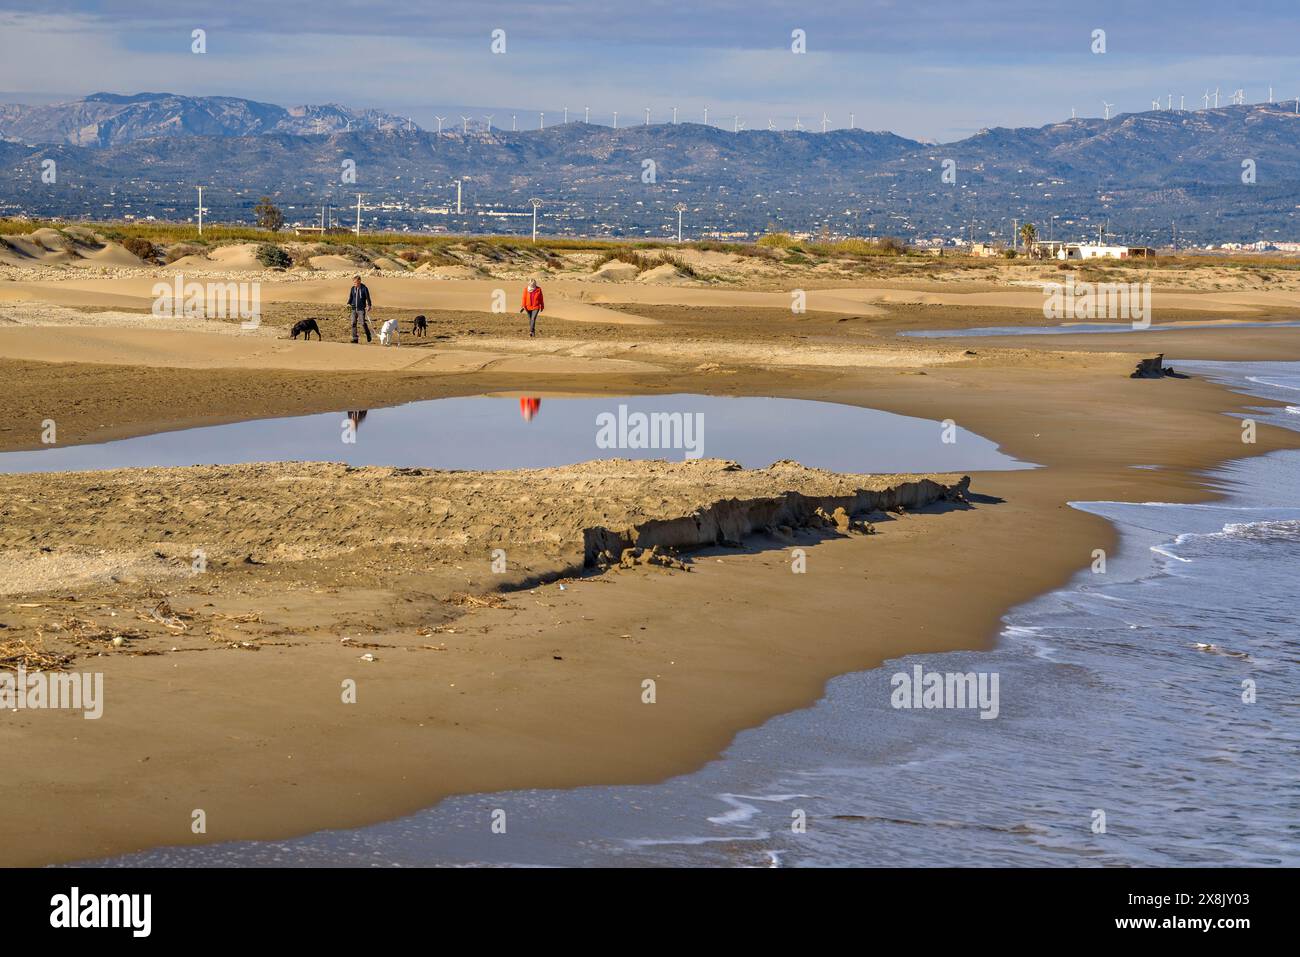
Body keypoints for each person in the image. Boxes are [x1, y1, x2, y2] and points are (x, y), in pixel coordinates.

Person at [346, 275, 373, 343]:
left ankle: (368, 334)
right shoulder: (352, 288)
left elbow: (368, 298)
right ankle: (355, 338)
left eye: (356, 282)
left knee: (363, 323)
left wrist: (369, 305)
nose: (355, 284)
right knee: (353, 323)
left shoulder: (364, 288)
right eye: (354, 282)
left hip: (361, 309)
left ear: (359, 281)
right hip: (353, 308)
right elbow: (351, 298)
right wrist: (348, 304)